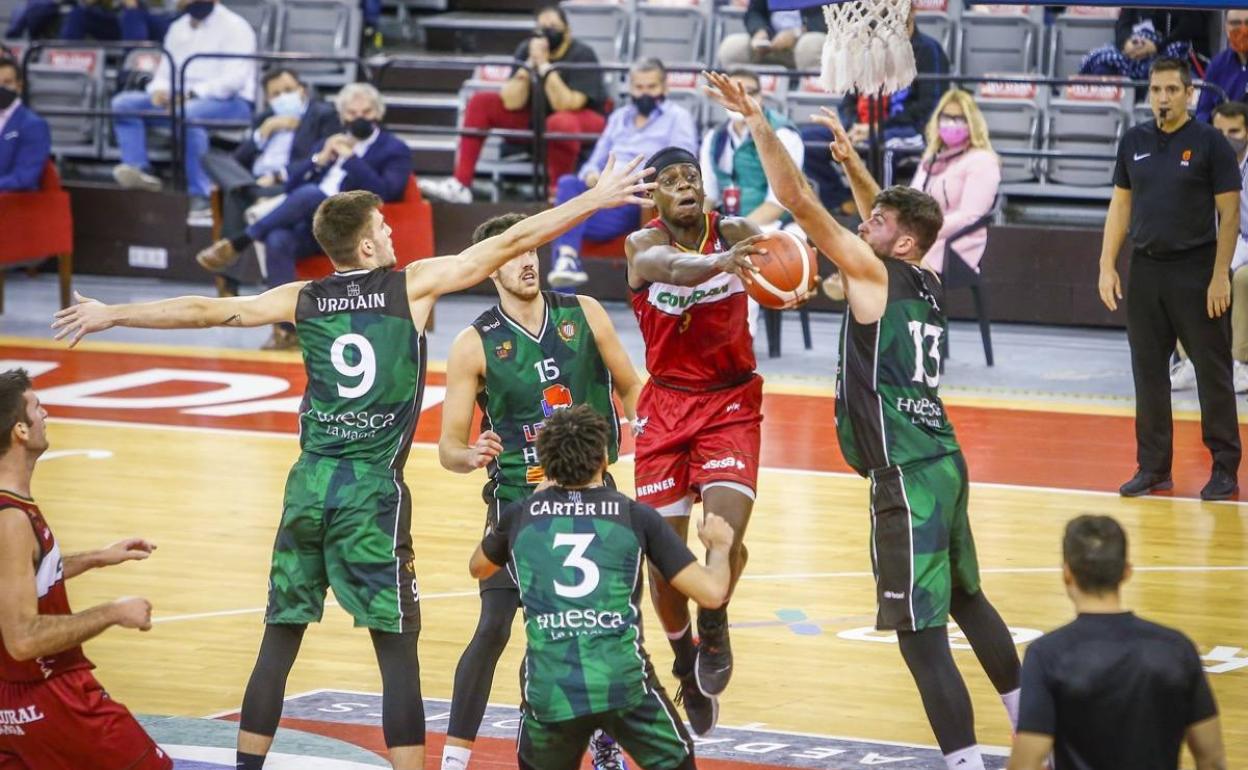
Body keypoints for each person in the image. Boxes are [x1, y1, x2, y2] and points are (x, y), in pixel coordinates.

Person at [50, 153, 655, 770]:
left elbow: (206, 311)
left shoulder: (304, 297)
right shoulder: (409, 285)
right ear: (366, 247)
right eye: (385, 228)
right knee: (398, 652)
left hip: (308, 484)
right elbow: (511, 241)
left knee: (278, 641)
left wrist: (113, 313)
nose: (394, 233)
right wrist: (594, 198)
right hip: (370, 493)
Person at [704, 71, 1023, 770]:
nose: (861, 225)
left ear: (900, 242)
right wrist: (855, 167)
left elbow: (793, 199)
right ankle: (1035, 736)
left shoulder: (874, 274)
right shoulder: (926, 278)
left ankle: (965, 761)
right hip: (943, 460)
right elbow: (881, 222)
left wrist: (759, 119)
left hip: (905, 476)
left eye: (874, 223)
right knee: (968, 597)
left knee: (918, 630)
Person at [437, 212, 644, 770]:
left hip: (594, 499)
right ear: (489, 269)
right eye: (511, 255)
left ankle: (602, 740)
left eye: (531, 250)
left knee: (612, 629)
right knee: (495, 626)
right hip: (519, 506)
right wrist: (469, 454)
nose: (527, 261)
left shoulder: (584, 313)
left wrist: (646, 425)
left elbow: (631, 384)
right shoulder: (473, 342)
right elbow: (448, 448)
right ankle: (455, 757)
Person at [470, 405, 735, 770]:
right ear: (604, 459)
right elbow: (712, 592)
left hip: (552, 690)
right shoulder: (634, 515)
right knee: (678, 760)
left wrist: (530, 505)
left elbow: (479, 567)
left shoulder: (522, 514)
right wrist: (719, 548)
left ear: (545, 464)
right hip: (622, 684)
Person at [622, 145, 773, 736]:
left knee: (726, 540)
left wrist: (790, 273)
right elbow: (672, 269)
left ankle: (715, 622)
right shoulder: (643, 246)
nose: (686, 185)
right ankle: (685, 664)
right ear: (655, 196)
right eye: (672, 180)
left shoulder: (732, 230)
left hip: (731, 401)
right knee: (665, 567)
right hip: (665, 407)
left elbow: (771, 251)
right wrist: (722, 264)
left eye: (693, 177)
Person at [0, 369, 171, 770]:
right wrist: (113, 612)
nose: (46, 414)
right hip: (51, 694)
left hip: (13, 699)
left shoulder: (11, 509)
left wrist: (95, 558)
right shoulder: (11, 521)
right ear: (20, 431)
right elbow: (23, 639)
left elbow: (21, 578)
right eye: (37, 407)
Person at [1097, 57, 1241, 501]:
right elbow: (1120, 207)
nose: (1163, 97)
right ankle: (1153, 467)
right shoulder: (1134, 141)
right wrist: (1106, 265)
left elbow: (1230, 213)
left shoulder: (1210, 143)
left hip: (1196, 270)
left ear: (1189, 93)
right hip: (1146, 270)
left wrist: (1221, 276)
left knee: (1212, 372)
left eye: (1172, 90)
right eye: (1157, 90)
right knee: (1148, 373)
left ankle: (1224, 467)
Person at [195, 83, 412, 350]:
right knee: (277, 239)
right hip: (314, 226)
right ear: (343, 116)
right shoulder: (330, 142)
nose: (359, 119)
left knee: (312, 194)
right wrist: (318, 160)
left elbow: (386, 193)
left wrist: (352, 159)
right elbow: (290, 186)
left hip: (353, 228)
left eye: (366, 112)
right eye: (353, 113)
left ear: (378, 114)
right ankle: (288, 331)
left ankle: (240, 241)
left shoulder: (394, 148)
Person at [1008, 515, 1227, 770]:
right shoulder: (1177, 648)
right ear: (1126, 572)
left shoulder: (1047, 654)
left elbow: (1026, 763)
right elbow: (1211, 760)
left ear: (1067, 573)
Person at [419, 4, 607, 205]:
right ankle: (461, 184)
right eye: (542, 27)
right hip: (537, 116)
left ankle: (557, 194)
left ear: (567, 31)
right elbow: (511, 101)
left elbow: (568, 103)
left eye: (553, 26)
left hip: (583, 119)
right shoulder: (527, 49)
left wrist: (544, 66)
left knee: (560, 122)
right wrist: (528, 66)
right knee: (481, 102)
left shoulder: (582, 53)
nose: (547, 31)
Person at [547, 58, 697, 289]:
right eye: (639, 87)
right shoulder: (619, 117)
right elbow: (594, 161)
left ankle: (566, 268)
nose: (645, 93)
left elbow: (681, 164)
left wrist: (635, 181)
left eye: (651, 87)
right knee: (568, 184)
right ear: (630, 88)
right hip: (601, 193)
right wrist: (591, 175)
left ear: (664, 87)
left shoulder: (678, 118)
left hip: (635, 199)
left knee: (564, 222)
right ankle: (567, 262)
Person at [200, 68, 342, 297]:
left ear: (302, 90)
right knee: (210, 157)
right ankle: (251, 190)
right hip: (254, 182)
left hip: (289, 186)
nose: (283, 97)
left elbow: (323, 159)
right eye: (276, 94)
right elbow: (236, 161)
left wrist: (279, 175)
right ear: (267, 99)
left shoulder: (322, 114)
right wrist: (263, 134)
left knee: (236, 194)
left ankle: (228, 284)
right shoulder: (265, 118)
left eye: (288, 90)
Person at [110, 0, 257, 219]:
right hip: (178, 101)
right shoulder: (177, 28)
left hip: (232, 103)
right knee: (124, 104)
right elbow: (163, 74)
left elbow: (234, 80)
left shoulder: (236, 26)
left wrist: (190, 95)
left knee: (189, 114)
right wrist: (158, 91)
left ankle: (202, 195)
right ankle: (140, 170)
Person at [801, 7, 950, 215]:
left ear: (910, 14)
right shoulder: (868, 47)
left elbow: (929, 107)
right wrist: (853, 126)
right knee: (808, 140)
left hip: (909, 129)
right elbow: (848, 100)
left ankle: (883, 212)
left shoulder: (929, 50)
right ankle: (842, 202)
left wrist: (877, 127)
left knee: (882, 145)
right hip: (862, 126)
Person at [909, 88, 1000, 274]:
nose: (951, 123)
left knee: (894, 262)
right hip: (922, 236)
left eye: (959, 119)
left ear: (971, 123)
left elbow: (969, 217)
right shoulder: (931, 158)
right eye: (946, 117)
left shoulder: (982, 160)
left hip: (957, 244)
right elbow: (912, 198)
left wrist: (922, 230)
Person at [700, 68, 803, 234]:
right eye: (731, 93)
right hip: (726, 223)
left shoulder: (783, 134)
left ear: (760, 97)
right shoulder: (713, 137)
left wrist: (733, 233)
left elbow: (779, 203)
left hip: (775, 226)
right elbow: (708, 196)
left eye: (748, 92)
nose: (739, 98)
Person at [1080, 8, 1209, 80]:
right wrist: (1126, 43)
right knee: (1102, 64)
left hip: (1172, 49)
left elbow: (1192, 24)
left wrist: (1157, 47)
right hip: (1135, 50)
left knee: (1163, 70)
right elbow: (1123, 23)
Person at [716, 0, 825, 72]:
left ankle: (811, 99)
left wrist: (797, 33)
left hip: (808, 36)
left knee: (809, 45)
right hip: (771, 41)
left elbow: (831, 17)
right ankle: (741, 98)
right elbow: (754, 12)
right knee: (732, 47)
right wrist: (759, 31)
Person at [0, 58, 51, 192]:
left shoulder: (33, 125)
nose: (1, 88)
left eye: (7, 82)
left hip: (14, 204)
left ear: (19, 86)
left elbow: (24, 178)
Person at [1195, 9, 1248, 124]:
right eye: (1235, 23)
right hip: (1222, 136)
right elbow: (1202, 113)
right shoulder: (1218, 65)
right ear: (1226, 28)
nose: (1243, 29)